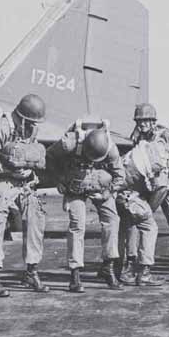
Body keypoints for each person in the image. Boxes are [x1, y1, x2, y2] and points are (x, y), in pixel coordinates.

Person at [118, 103, 169, 286]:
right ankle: (133, 267)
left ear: (153, 121)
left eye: (145, 121)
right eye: (139, 121)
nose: (141, 125)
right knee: (136, 221)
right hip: (147, 186)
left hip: (167, 186)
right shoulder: (138, 136)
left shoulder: (167, 136)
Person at [0, 94, 49, 297]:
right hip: (1, 180)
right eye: (33, 122)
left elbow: (29, 154)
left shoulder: (30, 129)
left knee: (36, 216)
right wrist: (9, 171)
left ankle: (31, 271)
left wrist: (29, 171)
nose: (34, 126)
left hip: (22, 183)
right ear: (24, 117)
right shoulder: (1, 127)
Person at [47, 120, 126, 291]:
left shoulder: (110, 147)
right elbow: (50, 156)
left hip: (100, 186)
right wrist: (58, 179)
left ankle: (108, 266)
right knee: (77, 225)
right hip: (74, 186)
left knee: (112, 219)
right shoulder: (69, 142)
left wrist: (107, 192)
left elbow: (120, 176)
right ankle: (75, 275)